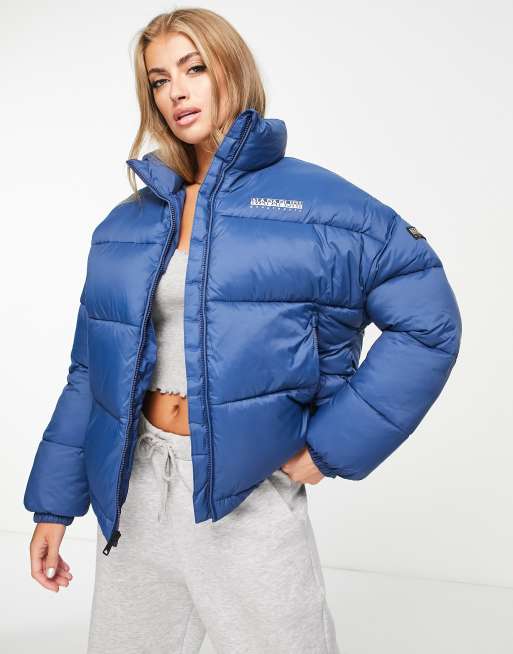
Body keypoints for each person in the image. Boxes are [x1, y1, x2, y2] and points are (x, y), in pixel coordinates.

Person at [23, 7, 462, 654]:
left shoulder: (321, 206)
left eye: (194, 68)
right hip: (137, 492)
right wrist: (54, 506)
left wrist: (329, 448)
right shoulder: (128, 222)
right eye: (159, 80)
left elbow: (428, 323)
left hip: (248, 497)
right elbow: (91, 372)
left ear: (232, 69)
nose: (176, 92)